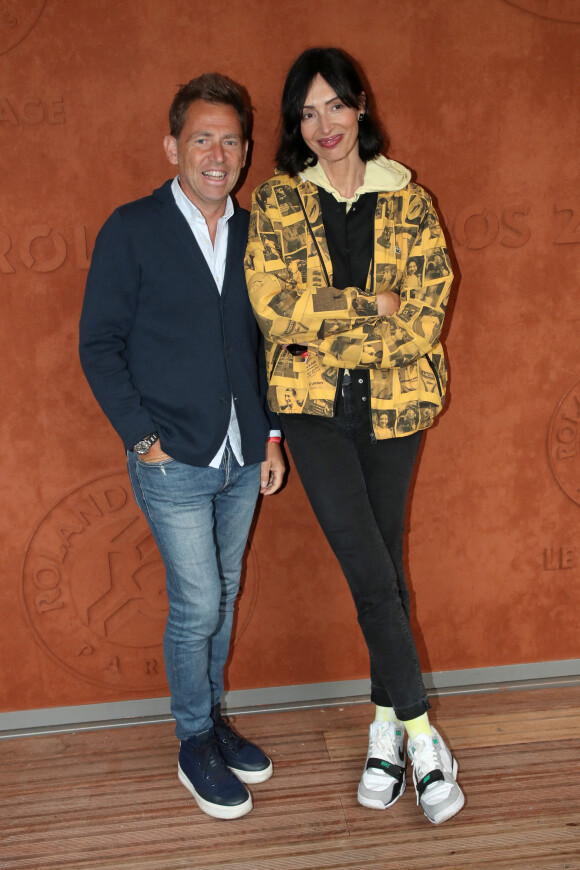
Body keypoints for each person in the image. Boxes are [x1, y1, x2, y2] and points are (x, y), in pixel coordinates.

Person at [245, 47, 464, 825]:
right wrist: (374, 306)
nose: (323, 124)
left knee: (386, 571)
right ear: (294, 124)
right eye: (306, 112)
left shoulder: (409, 198)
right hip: (312, 416)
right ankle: (421, 735)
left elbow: (427, 312)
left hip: (395, 408)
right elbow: (275, 308)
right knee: (372, 573)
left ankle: (381, 734)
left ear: (361, 104)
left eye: (334, 105)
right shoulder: (277, 201)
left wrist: (334, 322)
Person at [79, 73, 284, 821]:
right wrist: (145, 439)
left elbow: (265, 345)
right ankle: (193, 736)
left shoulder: (259, 232)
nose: (217, 153)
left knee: (222, 598)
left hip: (240, 459)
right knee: (197, 603)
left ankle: (213, 717)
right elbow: (98, 345)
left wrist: (269, 438)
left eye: (231, 140)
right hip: (174, 461)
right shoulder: (131, 228)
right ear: (173, 146)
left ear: (245, 151)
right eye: (202, 137)